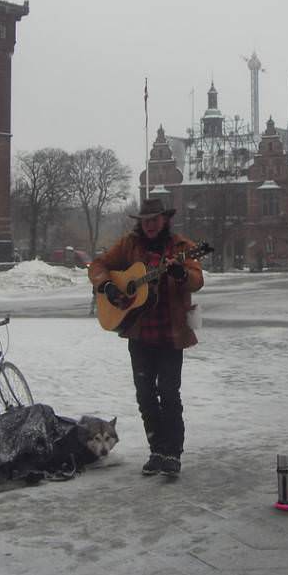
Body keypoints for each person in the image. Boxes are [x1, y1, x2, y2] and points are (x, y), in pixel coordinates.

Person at [89, 198, 204, 478]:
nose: (150, 225)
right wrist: (108, 286)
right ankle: (156, 450)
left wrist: (180, 274)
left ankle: (172, 454)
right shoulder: (129, 245)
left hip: (170, 332)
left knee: (169, 393)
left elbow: (197, 279)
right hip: (139, 331)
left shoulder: (180, 247)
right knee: (145, 395)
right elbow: (98, 265)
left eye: (155, 219)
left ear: (165, 219)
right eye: (145, 220)